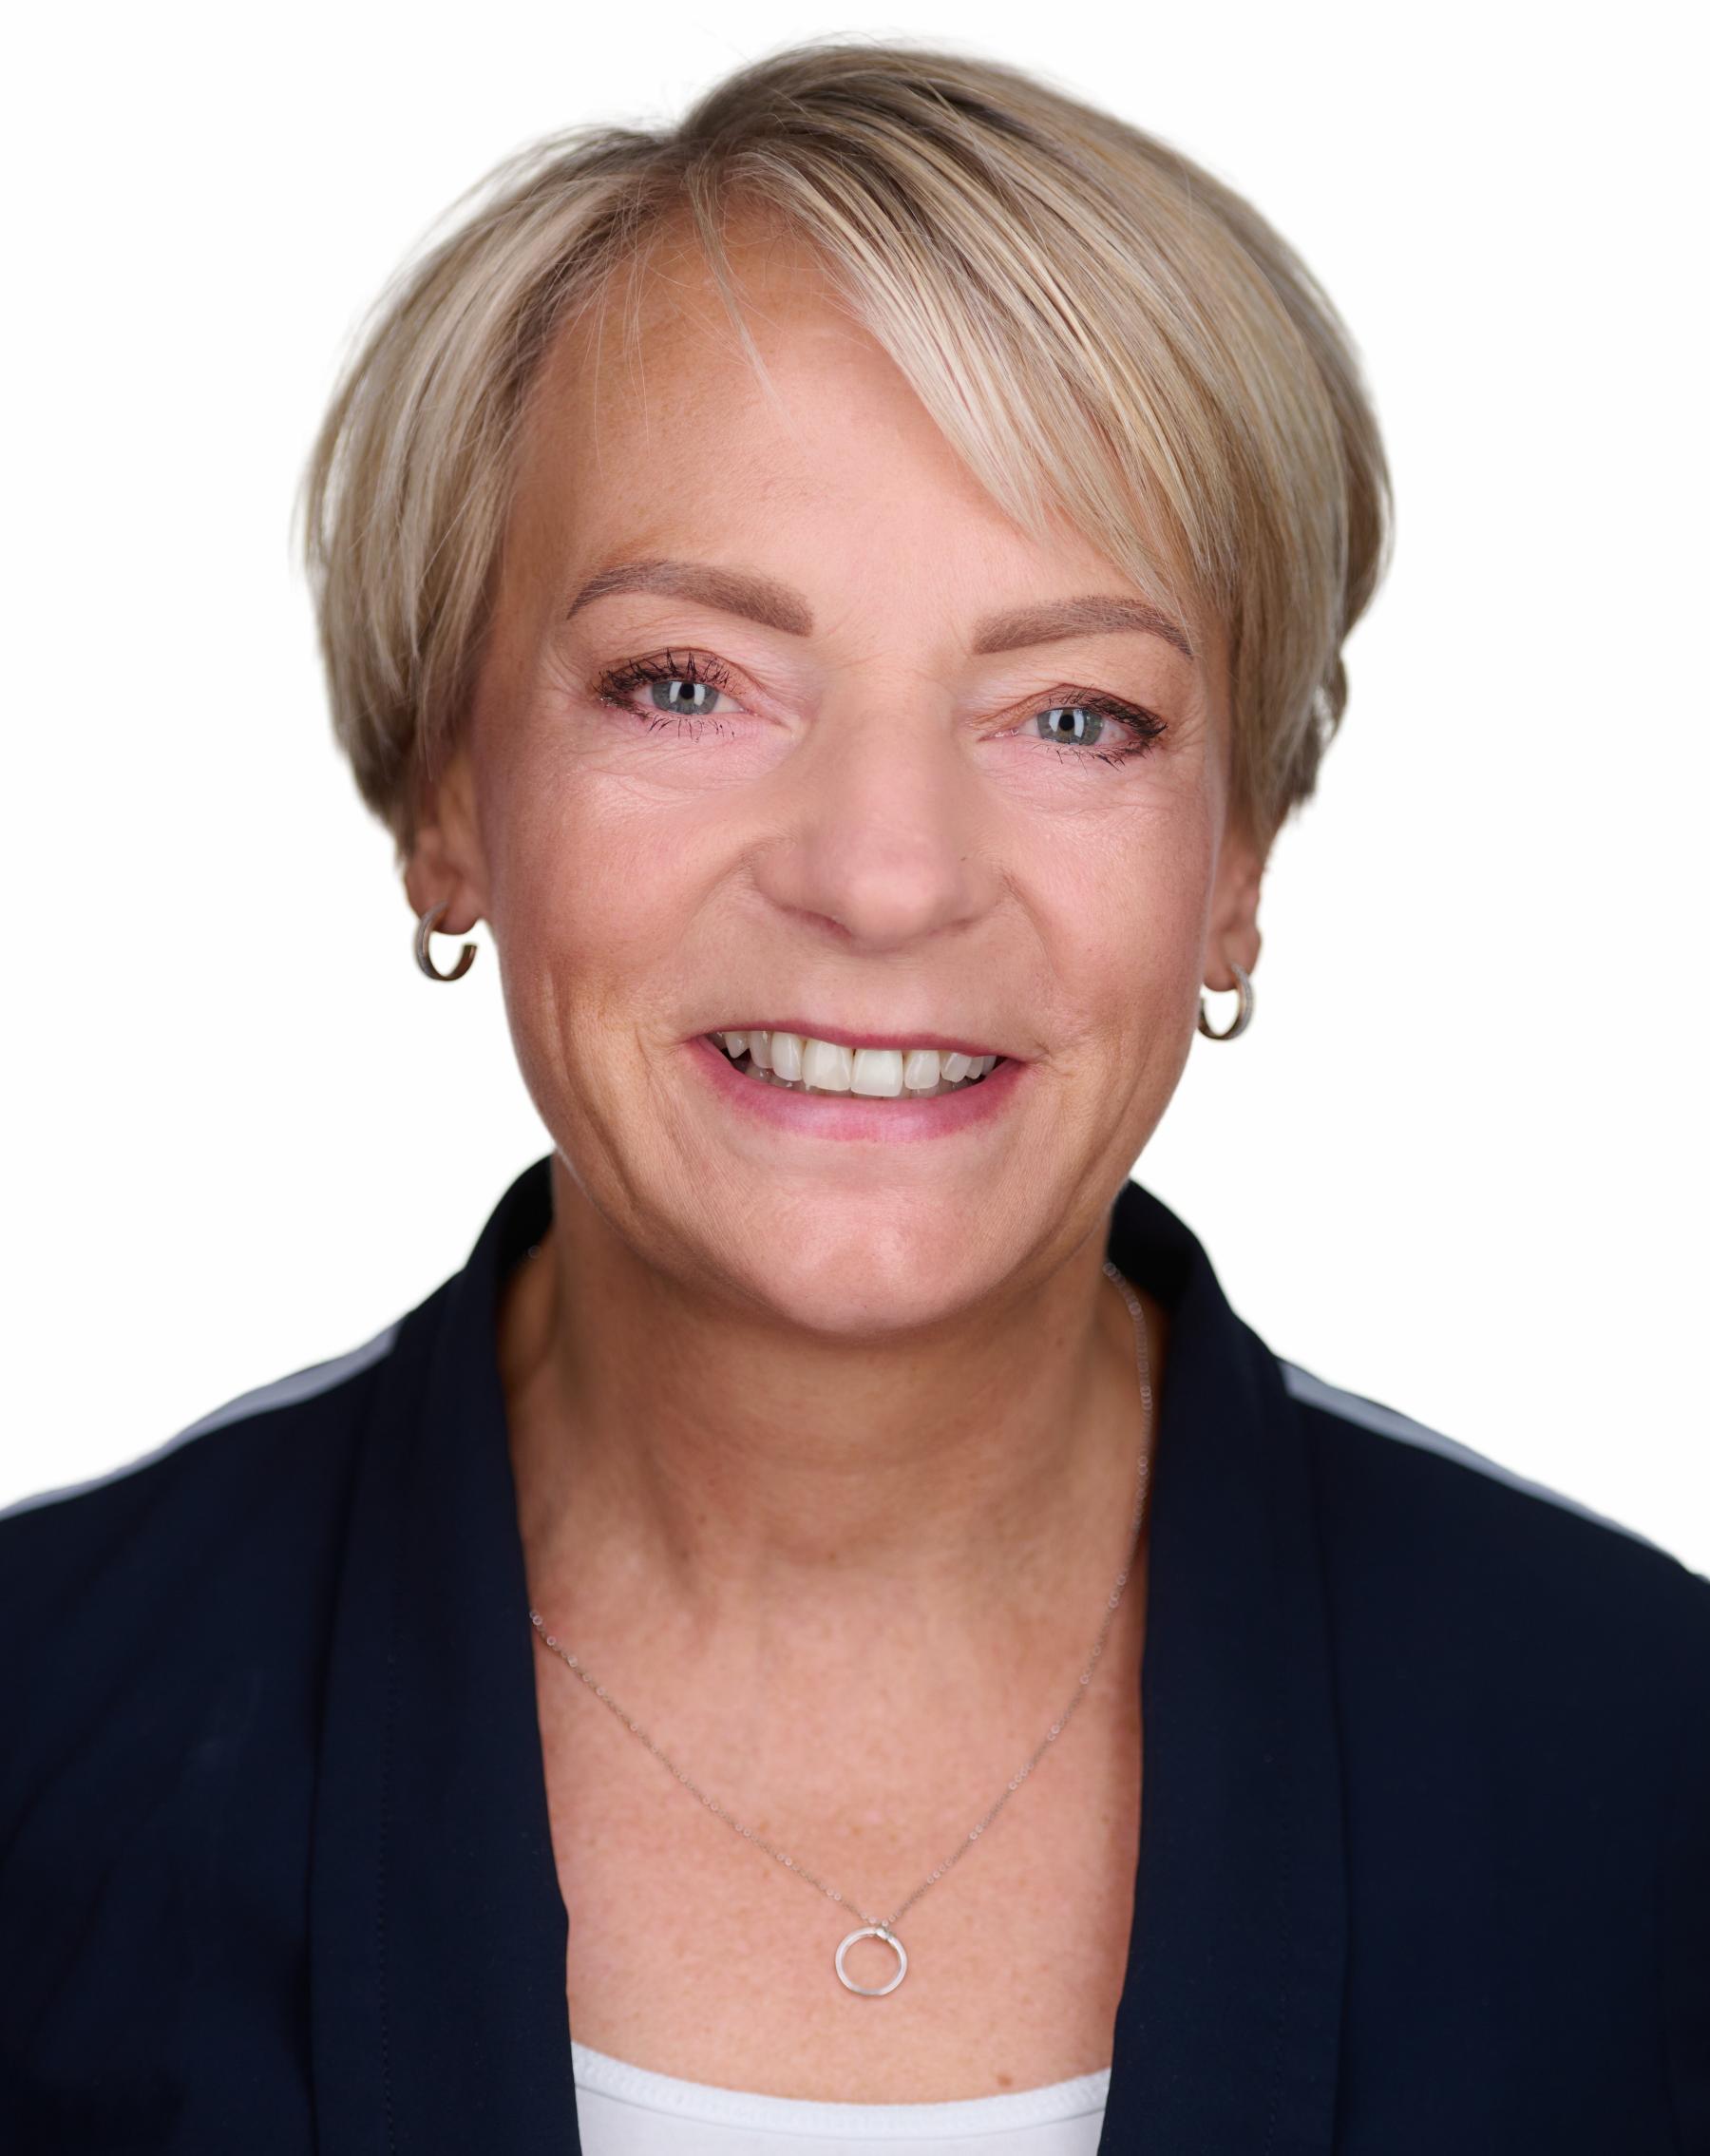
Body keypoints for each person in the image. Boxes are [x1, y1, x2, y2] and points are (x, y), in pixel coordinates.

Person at [4, 36, 1706, 2156]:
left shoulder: (1647, 1770)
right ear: (449, 795)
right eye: (688, 683)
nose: (885, 875)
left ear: (1238, 865)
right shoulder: (41, 1739)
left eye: (1074, 714)